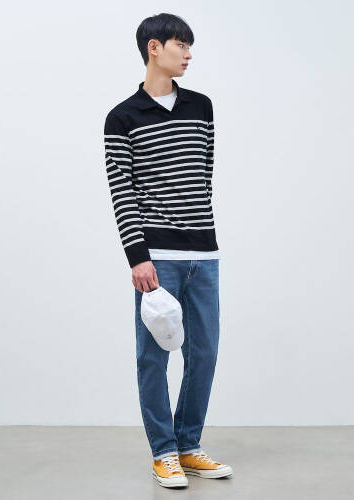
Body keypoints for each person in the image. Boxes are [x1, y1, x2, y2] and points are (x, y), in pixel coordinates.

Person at [103, 13, 233, 488]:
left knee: (205, 354)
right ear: (154, 47)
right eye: (181, 45)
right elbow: (123, 191)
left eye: (190, 46)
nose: (189, 54)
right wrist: (137, 256)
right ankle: (163, 452)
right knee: (153, 358)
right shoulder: (122, 117)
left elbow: (203, 175)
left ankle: (189, 445)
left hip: (204, 254)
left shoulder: (202, 106)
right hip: (156, 258)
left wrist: (203, 239)